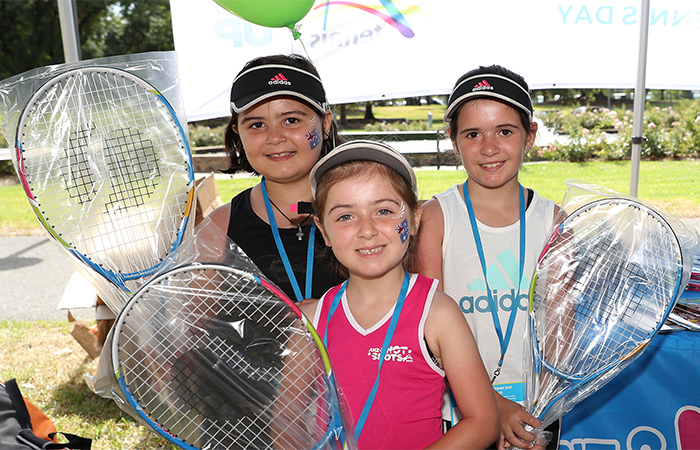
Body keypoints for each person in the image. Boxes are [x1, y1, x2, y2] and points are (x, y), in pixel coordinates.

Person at [303, 140, 500, 449]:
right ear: (323, 230)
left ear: (415, 218)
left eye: (383, 211)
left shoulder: (437, 314)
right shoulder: (312, 320)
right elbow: (284, 423)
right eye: (345, 216)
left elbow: (483, 421)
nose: (367, 229)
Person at [416, 65, 562, 450]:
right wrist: (493, 406)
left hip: (536, 415)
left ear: (529, 136)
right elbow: (428, 332)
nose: (490, 147)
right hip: (460, 413)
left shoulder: (555, 220)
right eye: (473, 134)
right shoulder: (436, 218)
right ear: (453, 140)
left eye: (505, 131)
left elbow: (562, 331)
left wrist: (539, 410)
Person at [208, 54, 344, 302]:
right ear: (238, 133)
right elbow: (193, 326)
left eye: (291, 120)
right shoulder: (218, 228)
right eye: (257, 125)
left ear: (325, 124)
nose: (275, 137)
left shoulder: (371, 211)